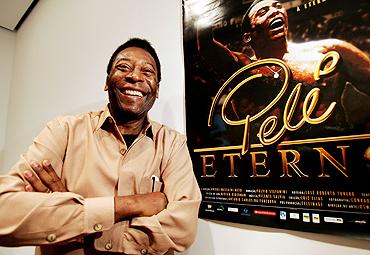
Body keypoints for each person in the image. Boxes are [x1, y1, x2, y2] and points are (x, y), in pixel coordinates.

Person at [0, 38, 201, 255]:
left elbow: (183, 229)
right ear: (107, 82)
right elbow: (5, 212)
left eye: (147, 72)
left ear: (157, 89)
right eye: (123, 67)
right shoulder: (63, 131)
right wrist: (132, 204)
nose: (135, 76)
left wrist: (72, 215)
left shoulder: (172, 144)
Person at [197, 0, 370, 129]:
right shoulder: (243, 68)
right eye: (263, 11)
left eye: (278, 7)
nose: (274, 11)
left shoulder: (329, 51)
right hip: (273, 164)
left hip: (335, 153)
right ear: (248, 36)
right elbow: (205, 45)